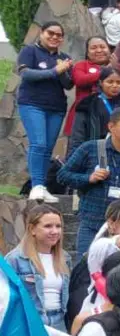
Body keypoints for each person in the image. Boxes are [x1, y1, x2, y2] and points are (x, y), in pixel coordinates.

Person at [58, 107, 120, 254]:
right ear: (111, 127)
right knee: (84, 268)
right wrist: (89, 178)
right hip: (91, 224)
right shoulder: (90, 148)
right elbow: (62, 176)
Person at [17, 22, 73, 203]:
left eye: (59, 35)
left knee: (47, 148)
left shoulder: (63, 57)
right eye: (51, 33)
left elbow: (68, 84)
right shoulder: (29, 51)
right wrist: (54, 71)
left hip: (56, 108)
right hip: (32, 104)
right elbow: (26, 75)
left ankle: (42, 186)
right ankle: (36, 185)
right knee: (38, 144)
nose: (55, 37)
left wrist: (64, 71)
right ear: (41, 33)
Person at [6, 205, 70, 331]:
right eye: (48, 226)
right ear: (32, 229)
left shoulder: (65, 258)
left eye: (58, 226)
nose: (55, 231)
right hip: (28, 324)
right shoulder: (15, 259)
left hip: (60, 323)